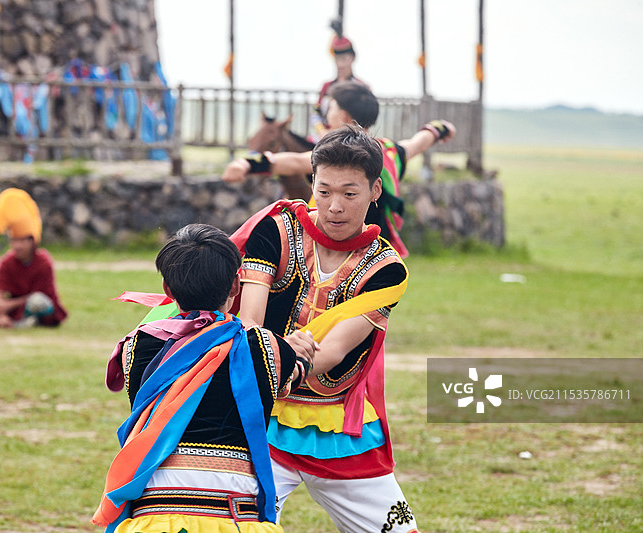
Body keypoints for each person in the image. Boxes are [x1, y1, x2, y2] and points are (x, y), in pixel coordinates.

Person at [232, 125, 418, 533]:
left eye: (350, 194)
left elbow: (332, 353)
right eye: (324, 190)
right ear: (311, 183)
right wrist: (281, 350)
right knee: (231, 526)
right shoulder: (276, 232)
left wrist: (279, 353)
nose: (335, 206)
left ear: (375, 191)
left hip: (339, 428)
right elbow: (248, 325)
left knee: (398, 530)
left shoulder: (386, 270)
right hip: (260, 420)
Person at [92, 223, 316, 533]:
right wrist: (300, 355)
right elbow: (290, 378)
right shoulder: (267, 348)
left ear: (168, 291)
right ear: (236, 287)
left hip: (154, 515)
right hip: (234, 516)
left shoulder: (135, 347)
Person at [224, 80, 456, 258]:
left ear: (343, 115)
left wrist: (248, 163)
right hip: (376, 255)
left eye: (331, 107)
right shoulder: (389, 153)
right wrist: (440, 128)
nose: (328, 112)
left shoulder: (334, 156)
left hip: (333, 254)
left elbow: (292, 161)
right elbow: (418, 142)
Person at [0, 188, 67, 328]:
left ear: (32, 242)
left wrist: (9, 305)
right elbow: (0, 295)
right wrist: (2, 313)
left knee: (37, 302)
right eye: (14, 241)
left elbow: (41, 294)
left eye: (21, 241)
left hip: (32, 305)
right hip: (12, 309)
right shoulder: (6, 263)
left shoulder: (43, 262)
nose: (17, 246)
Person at [310, 34, 367, 142]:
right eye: (337, 59)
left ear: (352, 58)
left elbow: (366, 119)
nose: (340, 64)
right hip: (325, 137)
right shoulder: (327, 87)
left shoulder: (361, 88)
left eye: (344, 59)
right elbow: (315, 113)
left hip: (352, 139)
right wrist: (322, 131)